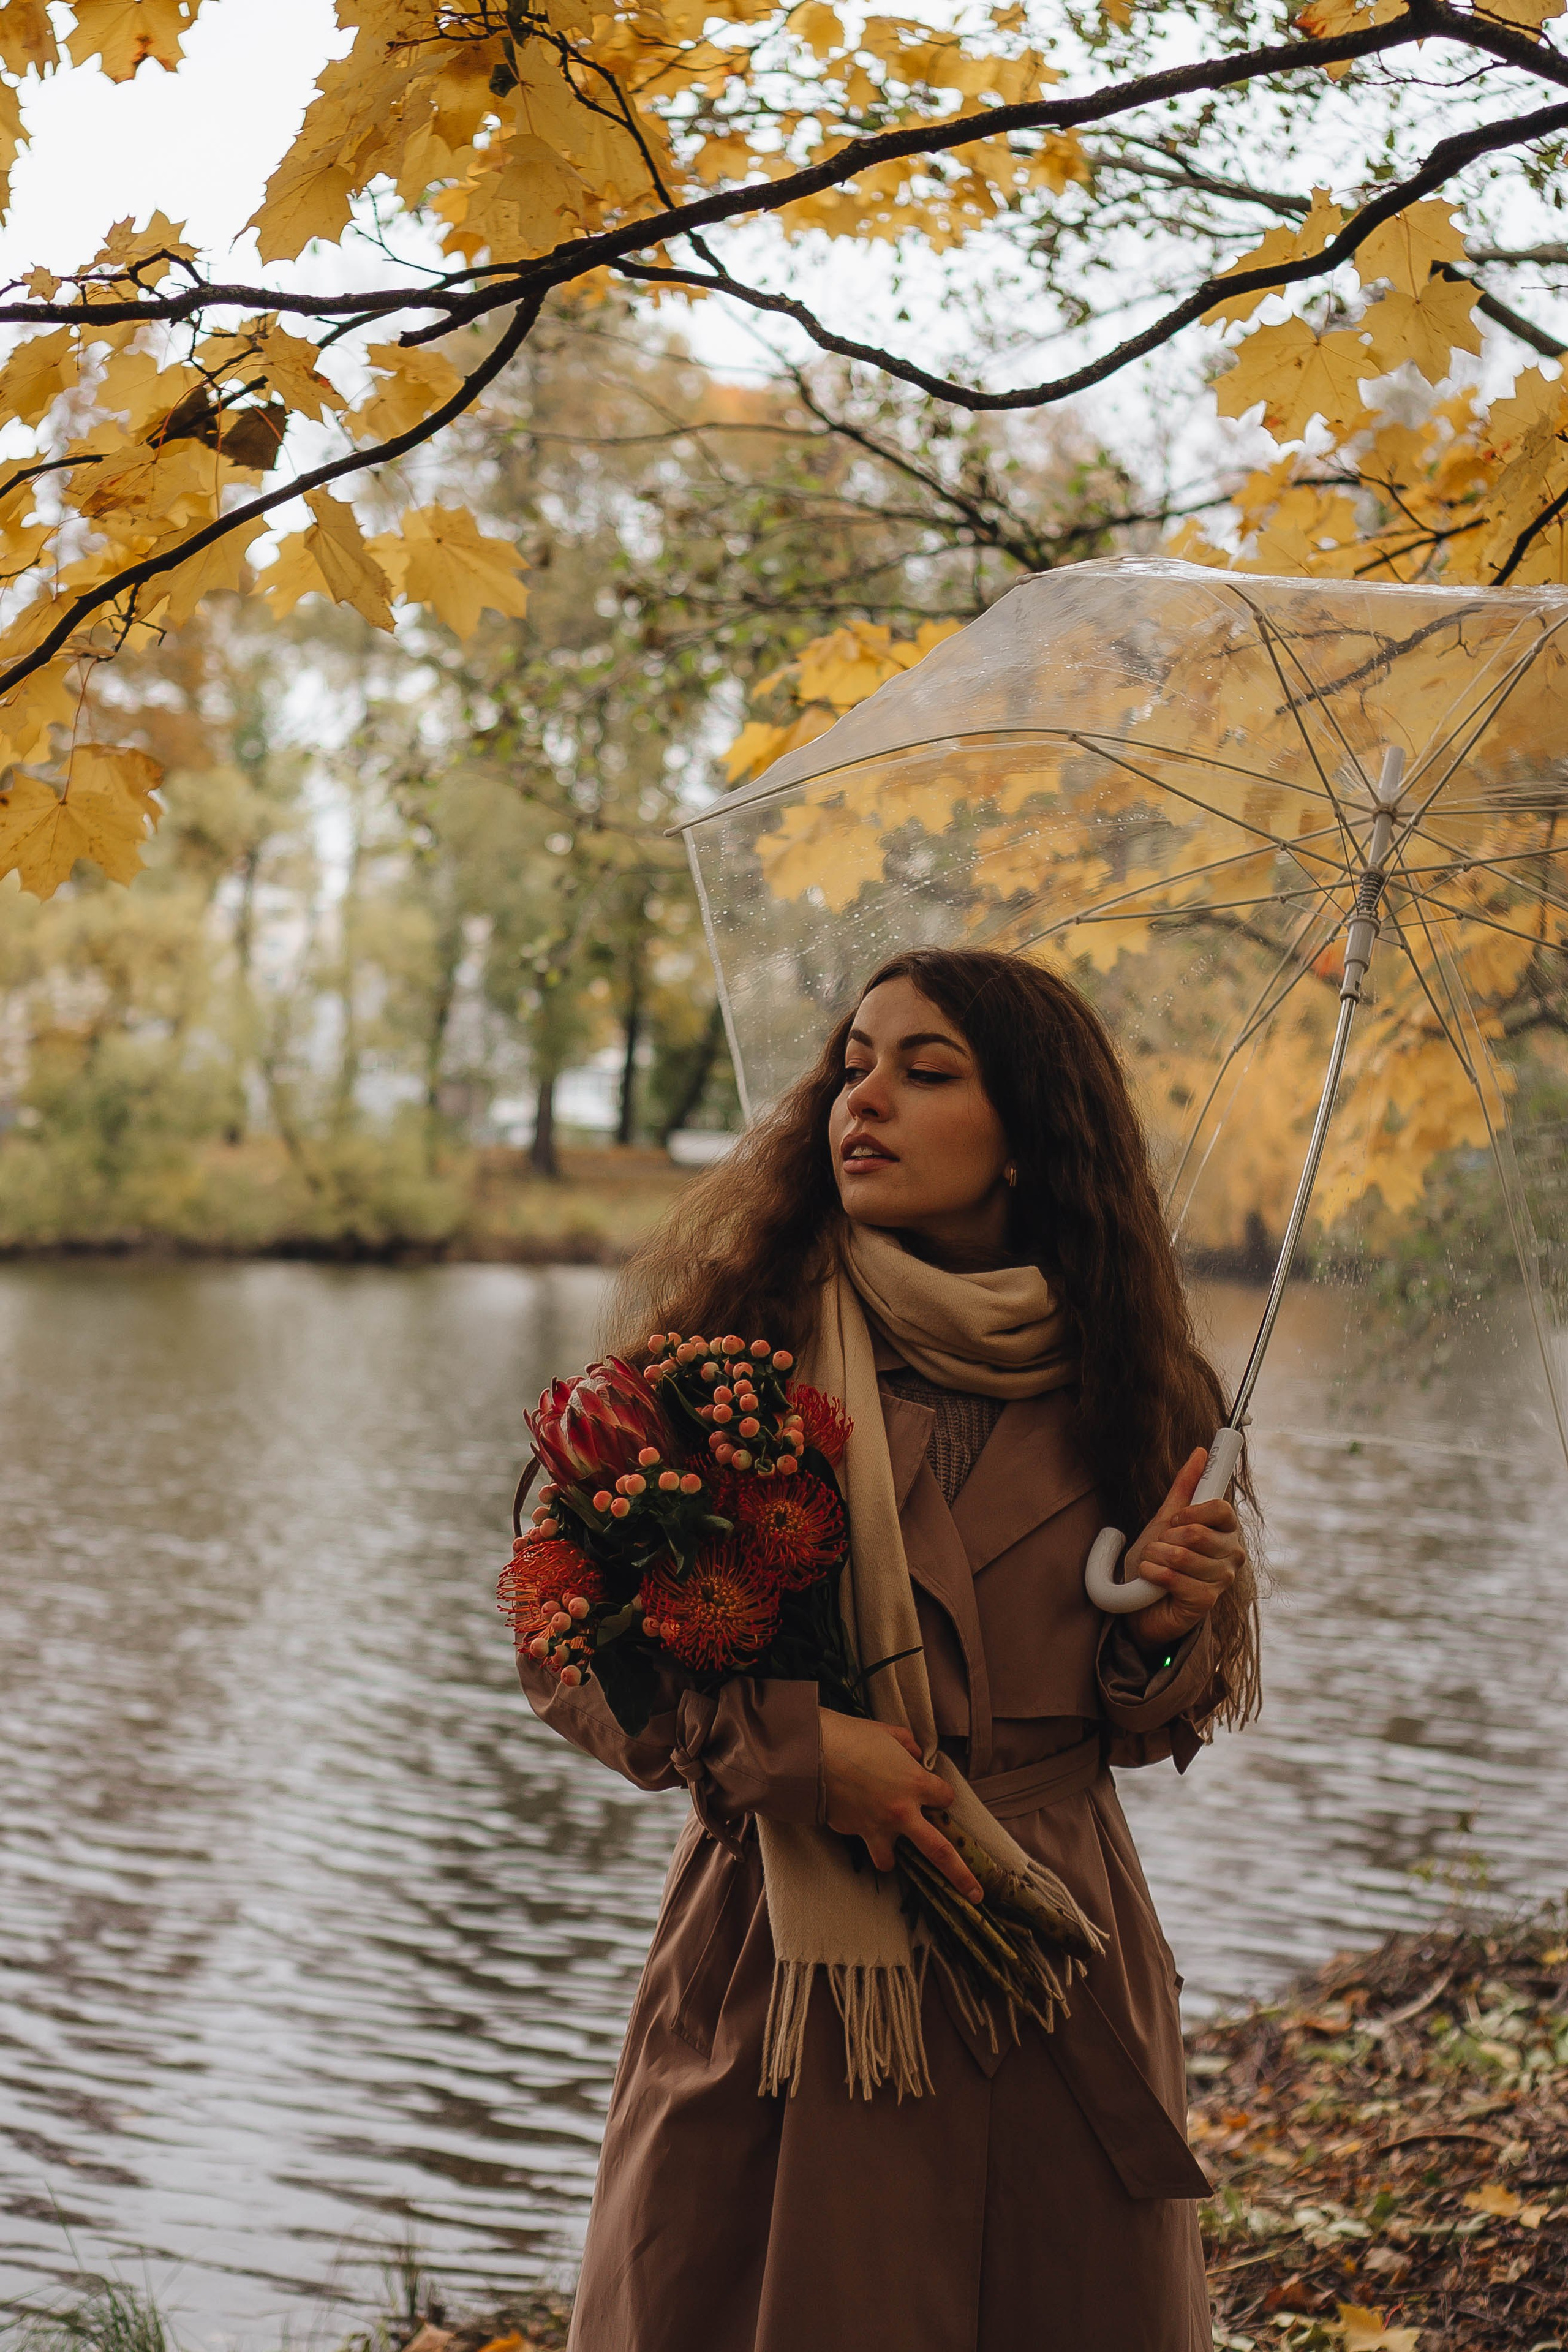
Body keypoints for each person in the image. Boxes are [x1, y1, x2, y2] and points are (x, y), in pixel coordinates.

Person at [517, 946, 1259, 2352]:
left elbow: (1147, 1716)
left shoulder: (1140, 1389)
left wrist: (1164, 1633)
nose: (865, 1100)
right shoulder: (734, 1356)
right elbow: (571, 1641)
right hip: (782, 1961)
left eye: (926, 1074)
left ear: (1031, 1138)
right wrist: (799, 1755)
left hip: (1042, 1940)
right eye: (853, 1065)